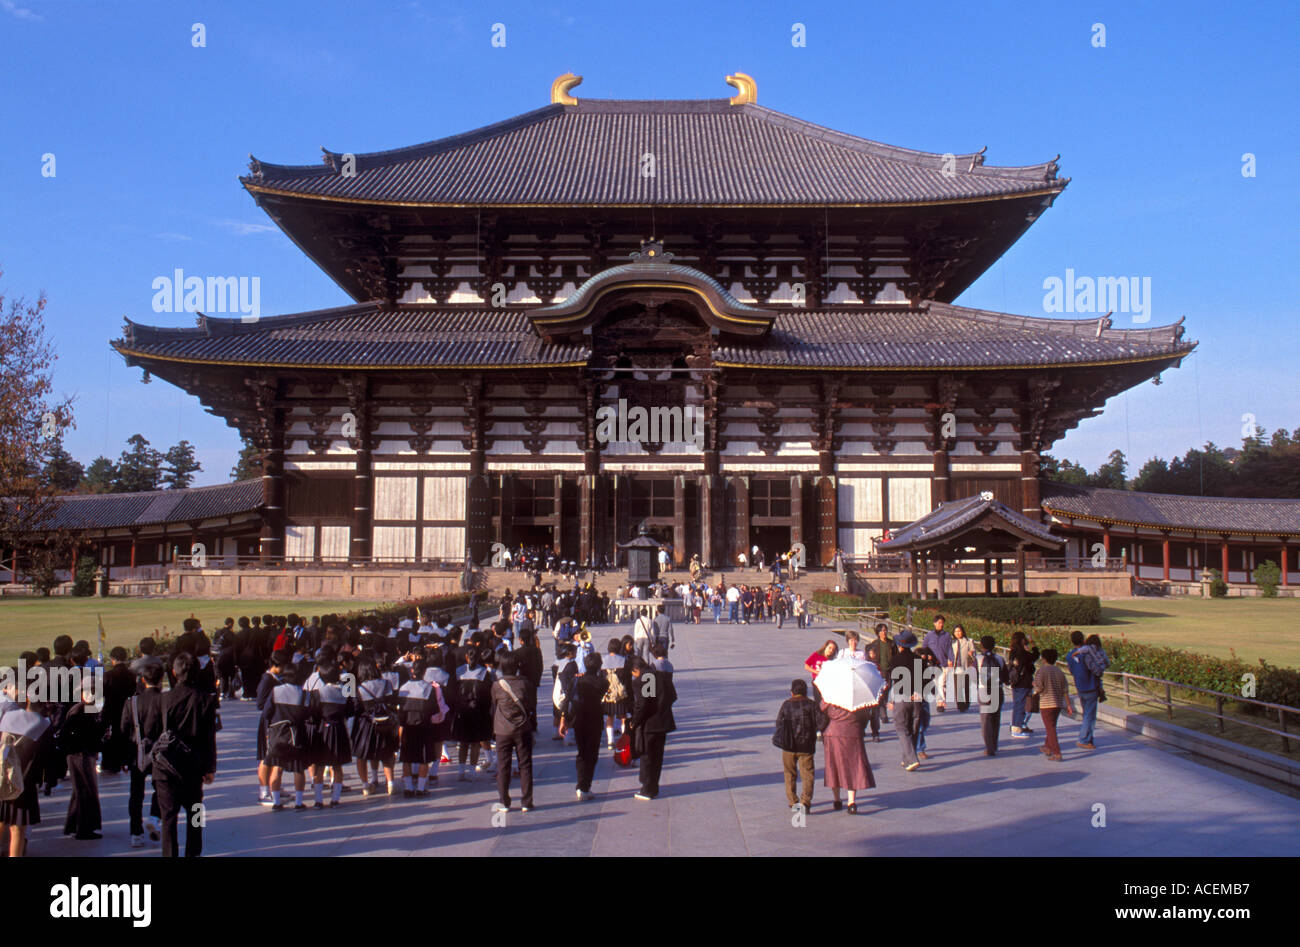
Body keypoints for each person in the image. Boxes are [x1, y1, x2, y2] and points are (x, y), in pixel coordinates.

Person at [155, 653, 218, 856]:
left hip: (165, 767)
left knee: (168, 818)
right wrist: (210, 768)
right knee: (196, 814)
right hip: (193, 766)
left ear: (173, 673)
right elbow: (209, 738)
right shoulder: (206, 700)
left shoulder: (163, 699)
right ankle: (194, 852)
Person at [0, 669, 54, 857]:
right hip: (25, 783)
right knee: (18, 830)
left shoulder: (7, 717)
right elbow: (47, 758)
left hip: (2, 777)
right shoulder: (44, 724)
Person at [120, 661, 165, 848]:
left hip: (136, 752)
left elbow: (123, 731)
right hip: (161, 753)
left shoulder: (132, 702)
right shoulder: (166, 700)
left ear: (143, 680)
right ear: (161, 679)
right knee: (160, 789)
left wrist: (123, 758)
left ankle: (135, 832)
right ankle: (155, 818)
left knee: (136, 793)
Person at [491, 654, 538, 812]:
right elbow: (532, 704)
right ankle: (526, 801)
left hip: (502, 730)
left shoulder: (497, 685)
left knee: (503, 766)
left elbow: (493, 705)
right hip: (522, 728)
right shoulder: (525, 683)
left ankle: (504, 801)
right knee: (525, 764)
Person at [773, 679, 828, 812]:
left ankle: (793, 801)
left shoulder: (786, 705)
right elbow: (822, 723)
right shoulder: (812, 705)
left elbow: (778, 723)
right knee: (807, 774)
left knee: (789, 773)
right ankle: (805, 802)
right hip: (807, 745)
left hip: (789, 745)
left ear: (792, 692)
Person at [61, 674, 104, 841]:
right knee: (86, 791)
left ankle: (74, 825)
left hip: (81, 754)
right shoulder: (80, 711)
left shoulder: (85, 709)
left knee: (80, 791)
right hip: (81, 754)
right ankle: (83, 829)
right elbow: (71, 735)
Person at [561, 652, 609, 801]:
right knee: (592, 754)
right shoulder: (603, 682)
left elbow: (567, 698)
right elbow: (604, 688)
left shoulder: (577, 681)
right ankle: (585, 786)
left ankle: (581, 785)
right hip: (595, 719)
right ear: (599, 666)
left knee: (582, 753)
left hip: (579, 719)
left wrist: (563, 719)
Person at [629, 656, 676, 801]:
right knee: (658, 756)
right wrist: (663, 708)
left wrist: (635, 721)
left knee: (648, 756)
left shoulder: (646, 677)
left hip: (650, 723)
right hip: (662, 721)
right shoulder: (660, 675)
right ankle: (654, 786)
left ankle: (647, 788)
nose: (634, 677)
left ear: (636, 669)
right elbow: (673, 695)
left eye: (633, 673)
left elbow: (644, 703)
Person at [818, 692, 875, 814]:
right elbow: (865, 717)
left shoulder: (831, 696)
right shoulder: (858, 699)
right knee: (853, 767)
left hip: (833, 734)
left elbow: (822, 709)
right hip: (853, 732)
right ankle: (851, 802)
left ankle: (837, 799)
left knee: (834, 767)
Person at [888, 631, 923, 771]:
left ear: (899, 645)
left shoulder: (895, 660)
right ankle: (906, 759)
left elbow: (893, 681)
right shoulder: (919, 660)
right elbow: (926, 679)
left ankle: (912, 759)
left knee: (901, 728)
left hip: (901, 697)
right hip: (916, 698)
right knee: (912, 729)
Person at [1032, 649, 1075, 761]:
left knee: (1050, 728)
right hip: (1058, 703)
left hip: (1046, 703)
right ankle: (1047, 747)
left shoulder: (1041, 671)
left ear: (1044, 659)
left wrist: (1033, 686)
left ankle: (1057, 752)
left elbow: (1039, 687)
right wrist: (1069, 705)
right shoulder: (1059, 671)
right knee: (1051, 726)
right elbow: (1065, 689)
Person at [1066, 631, 1106, 750]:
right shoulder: (1086, 654)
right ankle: (1083, 739)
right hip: (1091, 687)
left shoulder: (1070, 655)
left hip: (1080, 687)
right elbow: (1096, 670)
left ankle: (1088, 739)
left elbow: (1071, 670)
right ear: (1083, 640)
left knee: (1086, 714)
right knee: (1090, 716)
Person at [973, 636, 1008, 756]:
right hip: (997, 690)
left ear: (981, 645)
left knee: (986, 720)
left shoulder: (977, 659)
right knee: (995, 719)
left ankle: (989, 747)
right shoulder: (1000, 659)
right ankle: (994, 744)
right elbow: (1005, 677)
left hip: (984, 691)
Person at [1007, 631, 1040, 737]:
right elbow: (1035, 655)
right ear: (1022, 640)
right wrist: (1033, 644)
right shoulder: (1023, 654)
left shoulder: (1013, 652)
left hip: (1015, 681)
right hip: (1024, 682)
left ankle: (1016, 724)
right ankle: (1017, 728)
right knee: (1021, 705)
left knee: (1017, 704)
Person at [922, 615, 953, 712]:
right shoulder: (929, 635)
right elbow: (924, 648)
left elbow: (949, 649)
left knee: (942, 683)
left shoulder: (947, 636)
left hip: (943, 663)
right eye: (939, 622)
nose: (941, 624)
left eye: (942, 623)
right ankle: (939, 701)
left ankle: (941, 702)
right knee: (935, 684)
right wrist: (927, 656)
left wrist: (950, 659)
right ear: (934, 623)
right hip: (932, 664)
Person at [950, 625, 975, 712]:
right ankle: (960, 705)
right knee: (958, 687)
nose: (957, 633)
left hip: (966, 667)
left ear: (963, 632)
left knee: (966, 686)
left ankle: (967, 702)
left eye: (959, 631)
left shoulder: (969, 641)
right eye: (956, 631)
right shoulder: (951, 642)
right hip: (956, 667)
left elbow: (974, 653)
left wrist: (971, 653)